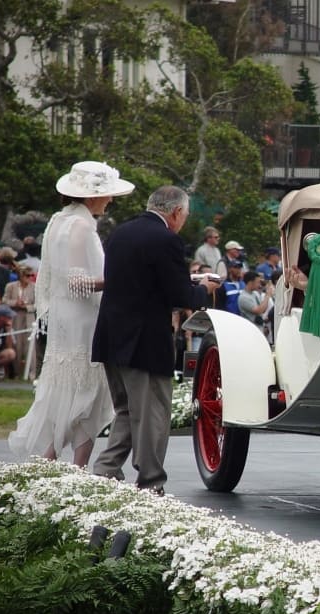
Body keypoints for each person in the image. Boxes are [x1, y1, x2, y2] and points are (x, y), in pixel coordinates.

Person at [91, 185, 219, 494]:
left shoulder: (120, 233)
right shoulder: (167, 239)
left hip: (112, 334)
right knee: (152, 414)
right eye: (184, 216)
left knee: (125, 410)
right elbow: (179, 295)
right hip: (145, 338)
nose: (183, 221)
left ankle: (104, 470)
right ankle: (150, 481)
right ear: (176, 212)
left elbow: (140, 279)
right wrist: (205, 290)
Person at [8, 161, 135, 466]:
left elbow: (54, 277)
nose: (110, 200)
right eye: (107, 194)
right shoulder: (80, 226)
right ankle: (74, 465)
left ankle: (52, 460)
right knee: (86, 390)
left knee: (67, 389)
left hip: (66, 317)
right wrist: (122, 276)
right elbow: (77, 281)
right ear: (91, 197)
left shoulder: (57, 221)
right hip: (82, 318)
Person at [1, 264, 36, 378]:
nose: (30, 277)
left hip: (29, 318)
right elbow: (4, 300)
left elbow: (38, 304)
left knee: (30, 346)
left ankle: (32, 373)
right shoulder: (10, 286)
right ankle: (16, 373)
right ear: (21, 275)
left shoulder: (35, 287)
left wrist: (27, 307)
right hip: (15, 317)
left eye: (32, 275)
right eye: (27, 275)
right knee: (17, 346)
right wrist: (15, 303)